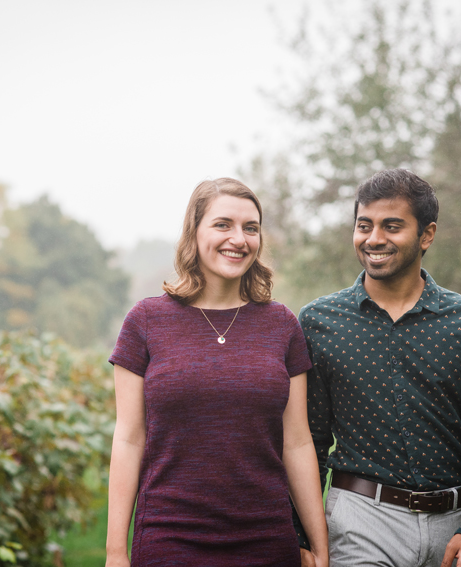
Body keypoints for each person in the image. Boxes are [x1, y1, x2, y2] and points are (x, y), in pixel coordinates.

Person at [295, 169, 461, 567]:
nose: (374, 238)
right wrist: (300, 535)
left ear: (426, 235)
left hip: (453, 523)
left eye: (391, 226)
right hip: (360, 518)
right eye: (365, 225)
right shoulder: (318, 323)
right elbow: (307, 441)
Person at [105, 178, 329, 567]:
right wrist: (114, 553)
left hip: (267, 539)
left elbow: (296, 442)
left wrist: (321, 548)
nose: (238, 239)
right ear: (194, 232)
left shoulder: (282, 325)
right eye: (223, 224)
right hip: (168, 537)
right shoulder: (146, 321)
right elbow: (128, 439)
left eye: (251, 228)